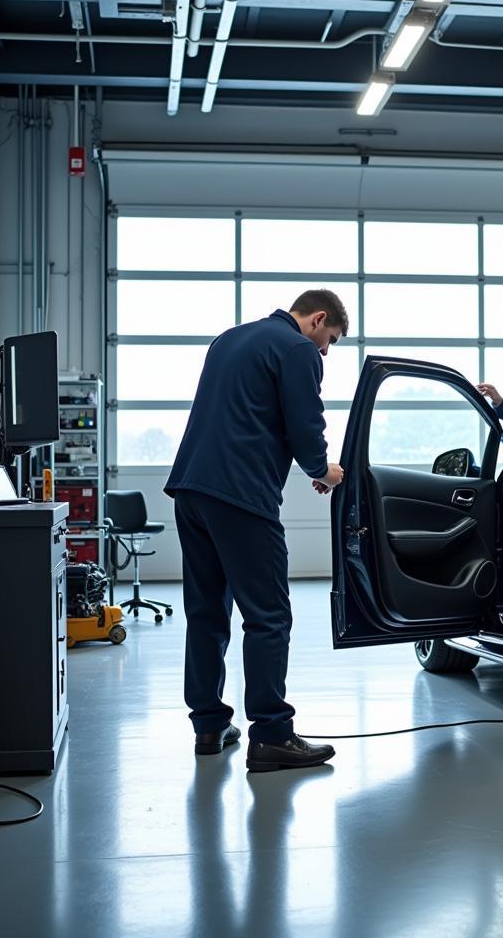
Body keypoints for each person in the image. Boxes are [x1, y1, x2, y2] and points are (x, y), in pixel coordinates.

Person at [164, 289, 348, 773]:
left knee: (206, 612)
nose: (324, 352)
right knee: (268, 616)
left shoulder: (229, 339)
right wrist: (322, 470)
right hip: (241, 494)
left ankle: (209, 725)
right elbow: (306, 423)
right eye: (328, 341)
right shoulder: (296, 349)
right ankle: (271, 734)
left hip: (191, 488)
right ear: (317, 319)